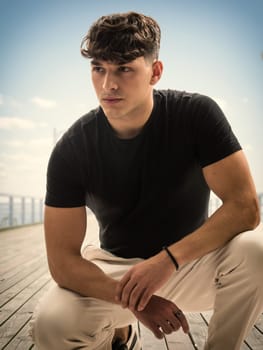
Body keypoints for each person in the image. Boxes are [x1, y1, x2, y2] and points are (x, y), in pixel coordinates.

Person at [30, 11, 263, 350]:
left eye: (124, 68)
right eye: (99, 68)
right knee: (52, 324)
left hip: (190, 264)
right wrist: (135, 299)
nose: (108, 84)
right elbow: (63, 262)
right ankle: (121, 332)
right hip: (116, 272)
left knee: (257, 252)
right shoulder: (72, 148)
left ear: (155, 71)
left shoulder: (196, 114)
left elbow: (245, 208)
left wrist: (167, 260)